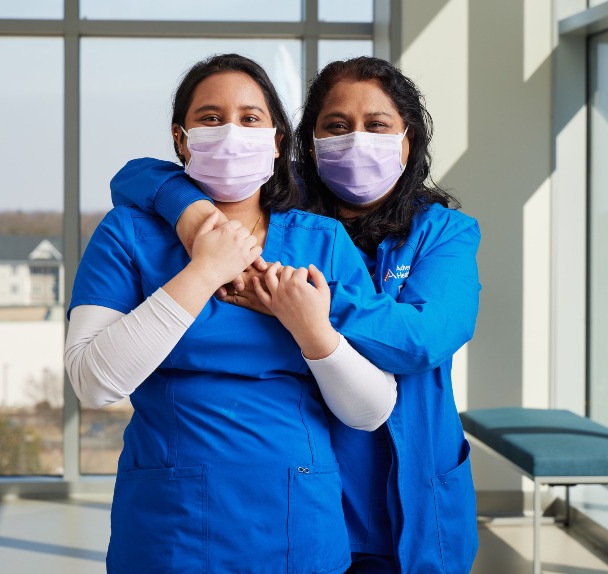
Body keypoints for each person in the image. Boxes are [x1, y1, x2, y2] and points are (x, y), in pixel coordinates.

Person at [111, 56, 481, 574]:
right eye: (336, 126)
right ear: (304, 140)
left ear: (408, 140)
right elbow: (137, 176)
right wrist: (189, 209)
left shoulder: (443, 233)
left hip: (408, 482)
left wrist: (304, 301)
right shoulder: (281, 213)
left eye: (376, 126)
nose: (356, 141)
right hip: (306, 483)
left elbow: (421, 338)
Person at [64, 53, 399, 574]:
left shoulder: (321, 242)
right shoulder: (128, 235)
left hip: (299, 522)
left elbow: (372, 409)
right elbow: (93, 382)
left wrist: (313, 332)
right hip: (168, 528)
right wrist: (203, 271)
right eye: (210, 118)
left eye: (250, 118)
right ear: (181, 139)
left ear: (278, 140)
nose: (231, 133)